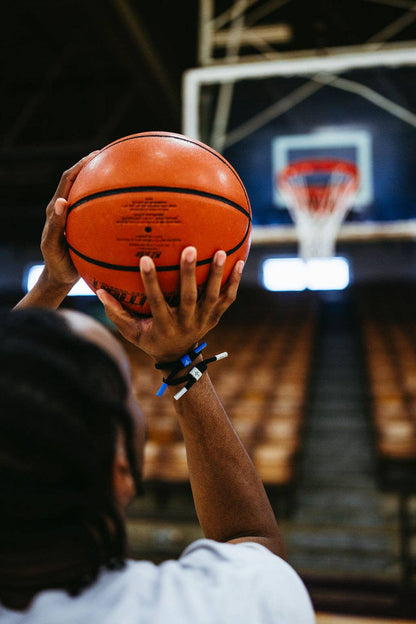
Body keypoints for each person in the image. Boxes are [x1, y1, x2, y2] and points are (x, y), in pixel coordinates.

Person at [0, 155, 315, 623]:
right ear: (122, 472)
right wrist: (181, 361)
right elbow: (254, 539)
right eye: (127, 392)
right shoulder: (213, 609)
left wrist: (54, 280)